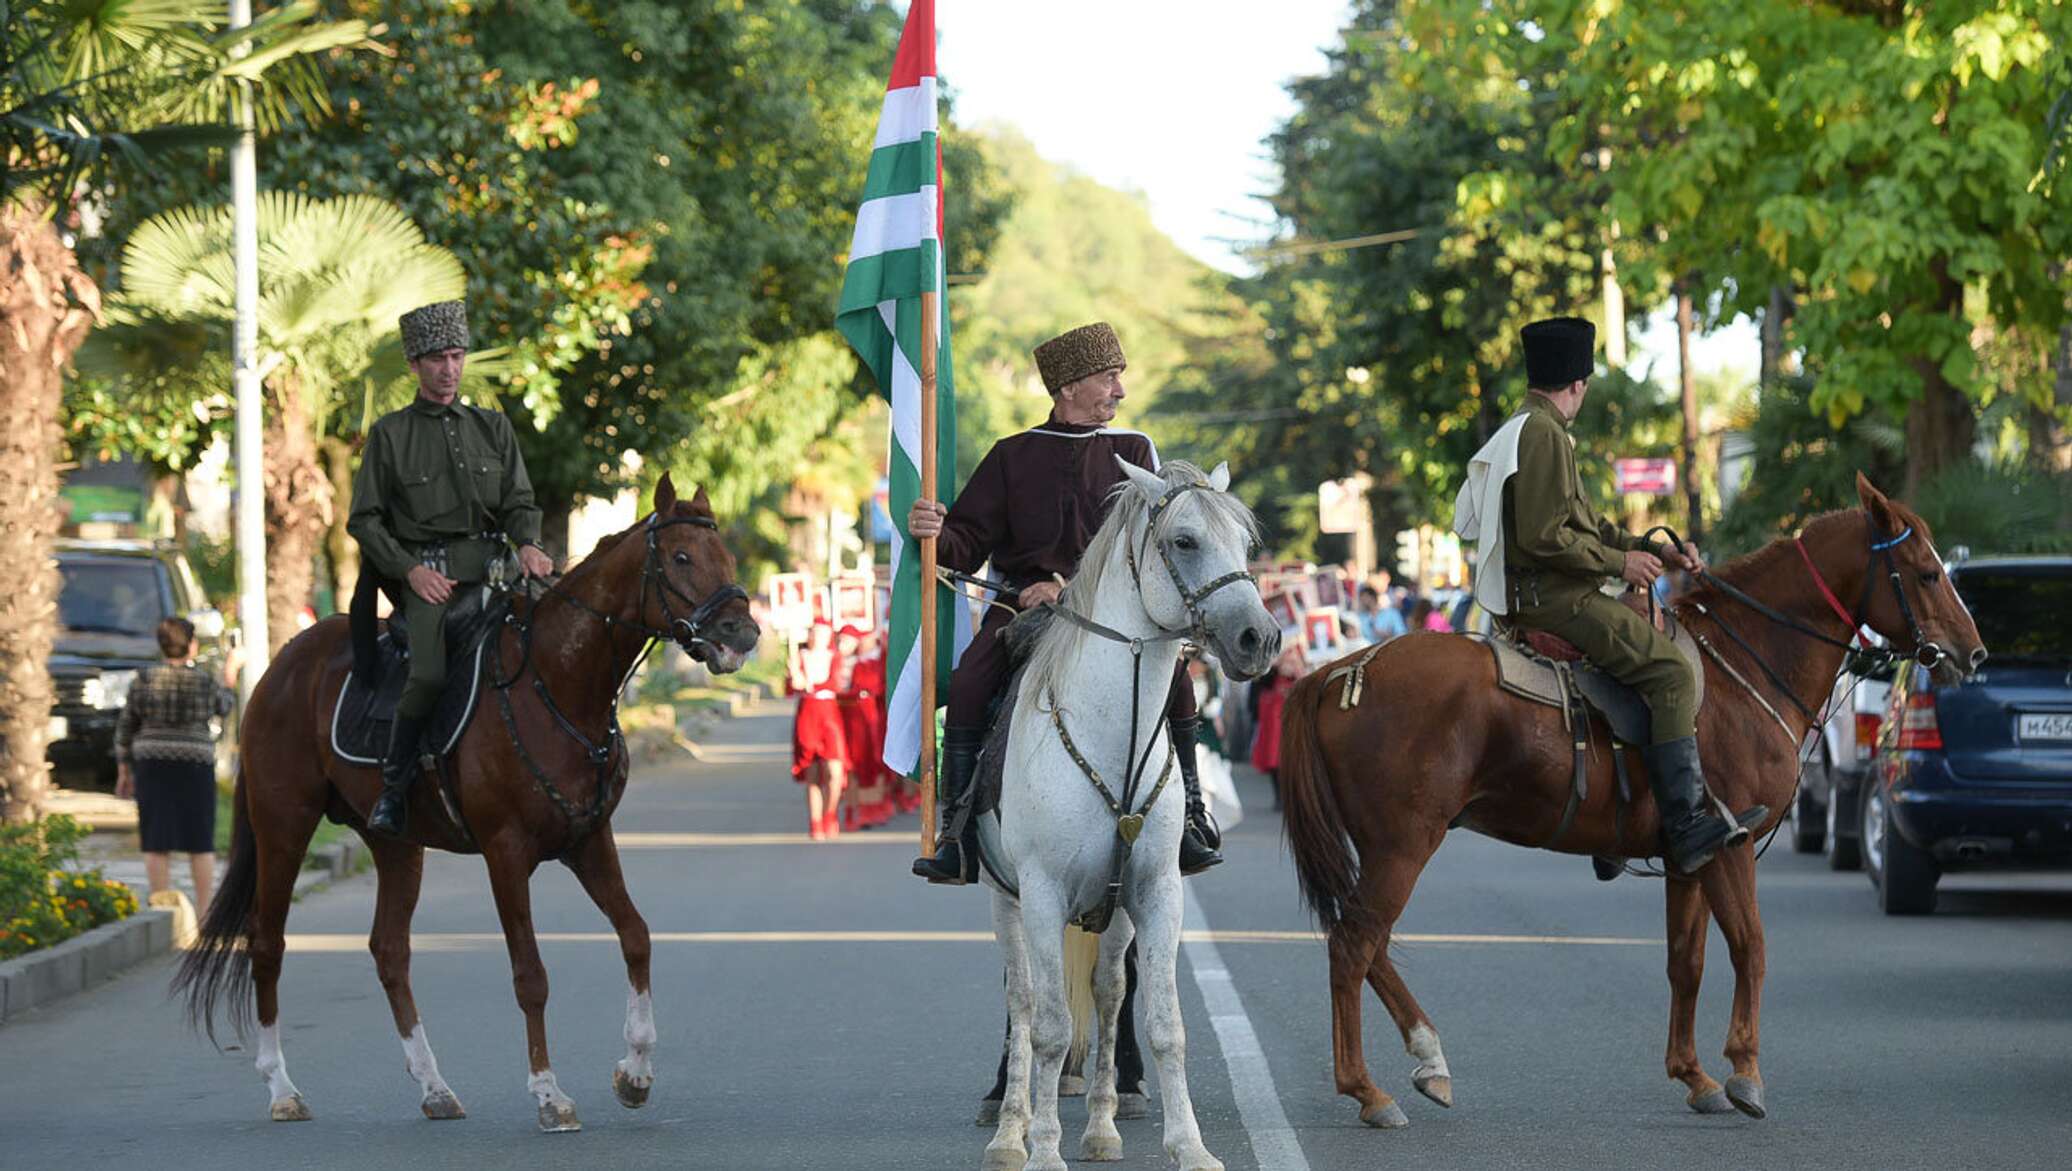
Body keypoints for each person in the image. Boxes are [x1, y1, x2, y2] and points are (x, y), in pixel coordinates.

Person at [906, 322, 1221, 883]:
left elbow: (1152, 547)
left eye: (1119, 377)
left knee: (1176, 678)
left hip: (1116, 616)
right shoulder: (1011, 456)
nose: (1120, 391)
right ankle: (955, 831)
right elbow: (964, 546)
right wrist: (932, 528)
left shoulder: (1136, 450)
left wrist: (1072, 590)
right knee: (972, 681)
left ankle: (1193, 812)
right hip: (1024, 610)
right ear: (1069, 386)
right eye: (1109, 377)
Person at [1460, 315, 1765, 874]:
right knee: (1671, 673)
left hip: (1551, 591)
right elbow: (1543, 537)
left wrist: (1651, 548)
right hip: (1555, 599)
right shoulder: (1544, 434)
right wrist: (1620, 562)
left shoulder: (1534, 428)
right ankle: (1686, 825)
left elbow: (1585, 525)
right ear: (1578, 384)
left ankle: (1613, 819)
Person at [347, 299, 553, 836]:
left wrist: (528, 543)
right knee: (430, 673)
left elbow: (519, 502)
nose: (449, 369)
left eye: (457, 356)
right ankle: (393, 788)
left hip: (495, 572)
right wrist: (411, 573)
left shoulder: (492, 427)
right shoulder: (390, 436)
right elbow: (365, 521)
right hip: (429, 581)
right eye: (437, 359)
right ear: (414, 365)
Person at [115, 617, 237, 912]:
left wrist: (124, 770)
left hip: (151, 762)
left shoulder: (142, 679)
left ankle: (161, 909)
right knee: (200, 840)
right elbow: (225, 706)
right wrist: (230, 673)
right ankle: (204, 913)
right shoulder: (205, 680)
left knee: (156, 839)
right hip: (195, 765)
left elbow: (126, 727)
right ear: (192, 646)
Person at [789, 622, 849, 840]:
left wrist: (810, 683)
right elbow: (790, 688)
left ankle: (830, 813)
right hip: (807, 712)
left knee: (835, 771)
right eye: (814, 633)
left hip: (829, 713)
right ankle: (815, 821)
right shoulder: (798, 656)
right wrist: (793, 676)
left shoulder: (834, 656)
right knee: (811, 771)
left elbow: (835, 684)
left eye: (822, 634)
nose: (817, 637)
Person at [1249, 644, 1307, 810]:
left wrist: (1298, 671)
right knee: (1274, 759)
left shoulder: (1300, 674)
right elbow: (1260, 685)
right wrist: (1276, 666)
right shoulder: (1271, 673)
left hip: (1294, 721)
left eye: (1293, 657)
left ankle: (1292, 797)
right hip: (1273, 723)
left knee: (1294, 760)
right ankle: (1279, 797)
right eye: (1287, 657)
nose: (1289, 661)